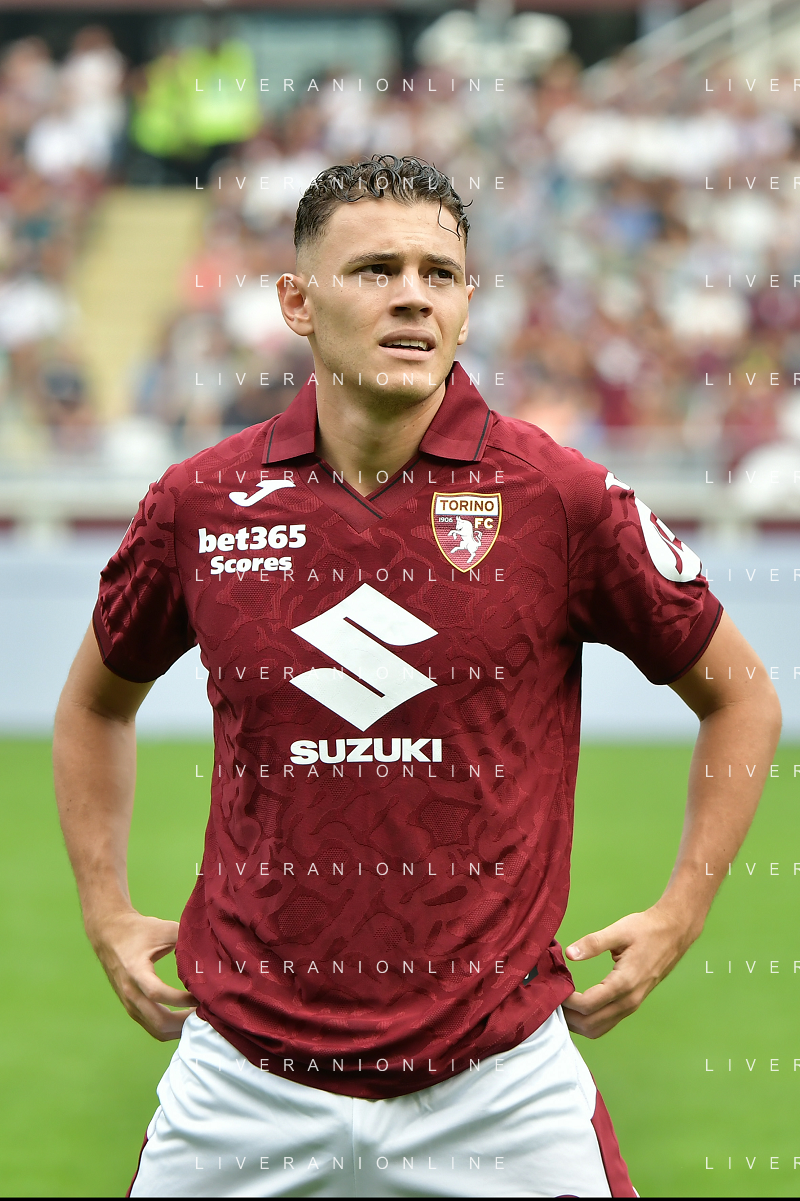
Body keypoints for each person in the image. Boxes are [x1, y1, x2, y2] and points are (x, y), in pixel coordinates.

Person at [53, 155, 781, 1198]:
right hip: (242, 1081)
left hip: (498, 1086)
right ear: (296, 303)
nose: (412, 296)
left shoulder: (558, 497)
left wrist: (682, 910)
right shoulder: (200, 502)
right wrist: (104, 905)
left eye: (439, 274)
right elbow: (93, 700)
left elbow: (740, 695)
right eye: (375, 270)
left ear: (466, 305)